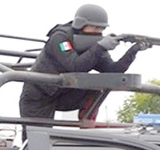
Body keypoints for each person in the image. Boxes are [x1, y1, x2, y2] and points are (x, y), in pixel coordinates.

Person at [19, 4, 149, 130]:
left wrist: (133, 51)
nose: (98, 32)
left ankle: (87, 122)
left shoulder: (95, 44)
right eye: (95, 27)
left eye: (101, 28)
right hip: (38, 96)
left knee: (99, 85)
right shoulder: (60, 38)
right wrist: (100, 47)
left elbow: (112, 70)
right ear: (81, 24)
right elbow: (75, 66)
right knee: (36, 138)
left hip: (64, 94)